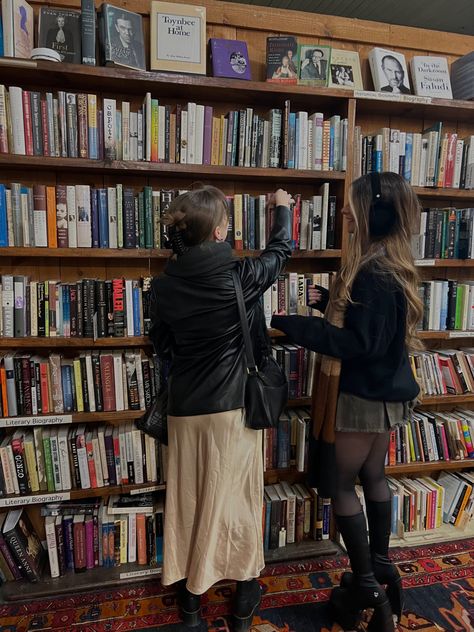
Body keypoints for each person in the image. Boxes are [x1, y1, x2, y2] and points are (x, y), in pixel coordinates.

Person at [271, 172, 422, 632]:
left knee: (339, 486)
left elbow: (358, 344)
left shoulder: (374, 272)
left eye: (351, 206)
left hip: (361, 396)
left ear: (372, 213)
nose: (343, 214)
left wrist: (295, 324)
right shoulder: (389, 263)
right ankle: (381, 567)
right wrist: (327, 305)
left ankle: (365, 584)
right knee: (373, 477)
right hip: (387, 394)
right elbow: (374, 331)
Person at [150, 185, 293, 631]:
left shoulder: (162, 284)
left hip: (185, 408)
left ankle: (191, 606)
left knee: (189, 500)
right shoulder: (240, 275)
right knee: (239, 501)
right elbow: (281, 251)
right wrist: (282, 209)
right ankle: (244, 598)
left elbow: (164, 345)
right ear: (217, 231)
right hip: (232, 408)